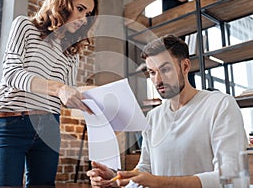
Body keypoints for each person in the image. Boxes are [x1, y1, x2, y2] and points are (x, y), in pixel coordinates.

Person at [87, 34, 247, 188]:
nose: (158, 80)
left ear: (185, 66)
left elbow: (231, 175)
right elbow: (145, 168)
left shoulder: (220, 105)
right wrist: (117, 178)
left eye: (165, 69)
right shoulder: (153, 117)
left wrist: (158, 182)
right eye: (152, 72)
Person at [0, 0, 99, 187]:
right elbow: (12, 73)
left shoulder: (72, 53)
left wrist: (94, 101)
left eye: (88, 14)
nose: (83, 18)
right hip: (11, 125)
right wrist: (59, 88)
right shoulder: (25, 26)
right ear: (63, 3)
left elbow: (67, 94)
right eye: (80, 9)